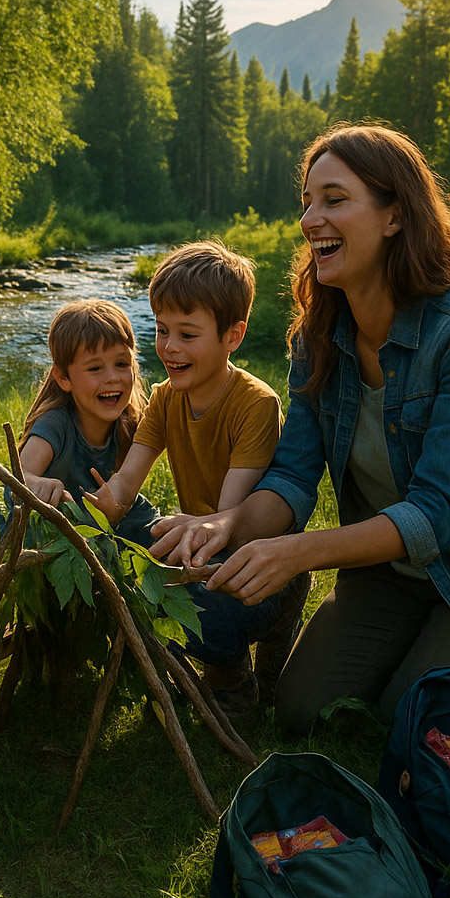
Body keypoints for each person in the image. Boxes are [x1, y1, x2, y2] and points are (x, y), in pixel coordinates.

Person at [156, 124, 450, 758]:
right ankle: (429, 644)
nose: (311, 219)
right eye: (307, 202)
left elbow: (435, 513)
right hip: (389, 577)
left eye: (334, 199)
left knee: (409, 723)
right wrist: (227, 524)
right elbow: (292, 476)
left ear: (394, 215)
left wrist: (300, 553)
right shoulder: (314, 339)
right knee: (302, 710)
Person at [90, 241, 310, 716]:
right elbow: (128, 480)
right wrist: (103, 504)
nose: (169, 347)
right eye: (162, 329)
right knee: (141, 572)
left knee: (277, 684)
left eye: (187, 334)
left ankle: (240, 680)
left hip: (259, 557)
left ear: (233, 336)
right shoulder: (167, 398)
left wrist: (175, 543)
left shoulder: (255, 403)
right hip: (205, 548)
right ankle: (226, 673)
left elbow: (228, 518)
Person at [0, 299, 159, 547]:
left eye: (122, 364)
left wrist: (114, 505)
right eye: (95, 368)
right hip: (51, 527)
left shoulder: (130, 424)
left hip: (105, 518)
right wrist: (37, 484)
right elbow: (17, 478)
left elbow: (125, 496)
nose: (112, 378)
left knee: (157, 530)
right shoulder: (56, 423)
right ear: (63, 377)